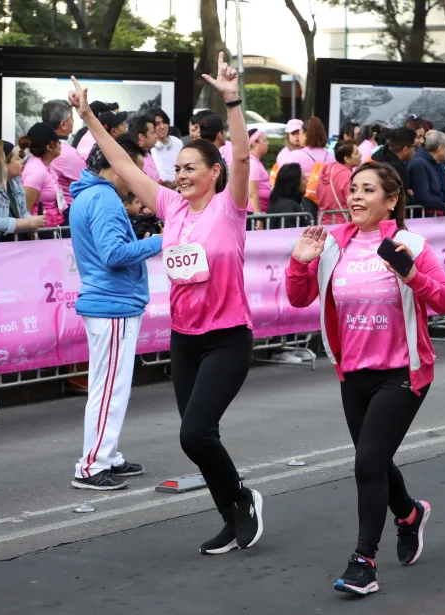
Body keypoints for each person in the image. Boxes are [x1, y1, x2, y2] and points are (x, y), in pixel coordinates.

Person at [68, 52, 263, 551]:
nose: (180, 174)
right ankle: (235, 508)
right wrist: (88, 118)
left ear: (214, 173)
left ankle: (240, 501)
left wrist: (232, 100)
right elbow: (117, 161)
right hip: (186, 340)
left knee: (193, 434)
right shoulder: (169, 205)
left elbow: (242, 156)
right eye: (176, 167)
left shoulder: (229, 206)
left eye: (191, 167)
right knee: (201, 437)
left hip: (226, 339)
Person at [285, 161, 445, 596]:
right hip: (353, 373)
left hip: (402, 373)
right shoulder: (332, 245)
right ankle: (409, 514)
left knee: (366, 463)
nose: (356, 197)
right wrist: (299, 262)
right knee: (375, 459)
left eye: (367, 190)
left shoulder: (409, 244)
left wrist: (411, 274)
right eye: (353, 189)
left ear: (391, 200)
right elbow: (299, 296)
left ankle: (364, 562)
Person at [67, 135, 163, 490]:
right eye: (131, 167)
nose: (134, 176)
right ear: (114, 164)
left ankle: (106, 456)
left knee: (109, 387)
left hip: (109, 303)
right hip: (112, 304)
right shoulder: (104, 198)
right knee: (110, 388)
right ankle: (92, 465)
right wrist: (160, 241)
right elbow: (113, 254)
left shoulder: (88, 195)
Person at [20, 122, 66, 227]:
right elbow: (25, 211)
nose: (60, 144)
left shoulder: (45, 166)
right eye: (57, 141)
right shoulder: (36, 171)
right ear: (49, 146)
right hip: (41, 235)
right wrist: (33, 239)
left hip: (52, 229)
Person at [42, 100, 85, 208]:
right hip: (69, 210)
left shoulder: (42, 146)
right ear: (63, 124)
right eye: (71, 117)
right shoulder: (65, 153)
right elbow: (85, 182)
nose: (74, 120)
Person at [407, 130, 445, 216]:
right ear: (440, 149)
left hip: (438, 216)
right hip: (423, 220)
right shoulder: (419, 164)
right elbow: (423, 196)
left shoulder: (439, 163)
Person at [284, 117, 335, 205]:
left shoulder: (295, 156)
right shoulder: (330, 157)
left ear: (305, 135)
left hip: (301, 203)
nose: (298, 137)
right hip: (326, 203)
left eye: (300, 133)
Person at [317, 140, 360, 225]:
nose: (360, 155)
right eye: (356, 153)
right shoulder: (347, 175)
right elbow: (353, 200)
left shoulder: (327, 170)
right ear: (347, 159)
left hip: (323, 221)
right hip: (343, 223)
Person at [371, 127, 416, 192]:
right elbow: (399, 198)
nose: (415, 150)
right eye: (415, 147)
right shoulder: (394, 170)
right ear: (405, 150)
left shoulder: (381, 154)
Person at [266, 162, 307, 230]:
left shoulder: (277, 201)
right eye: (303, 179)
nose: (307, 181)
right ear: (294, 183)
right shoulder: (288, 207)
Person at [149, 108, 184, 183]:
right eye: (157, 124)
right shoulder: (149, 148)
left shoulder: (177, 142)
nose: (162, 126)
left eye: (164, 122)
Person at [127, 115, 160, 182]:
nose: (156, 136)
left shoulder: (147, 154)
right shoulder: (134, 160)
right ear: (141, 137)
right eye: (153, 132)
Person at [248, 128, 271, 215]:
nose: (268, 143)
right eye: (264, 140)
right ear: (255, 143)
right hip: (252, 212)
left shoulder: (255, 161)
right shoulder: (252, 163)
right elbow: (252, 192)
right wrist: (258, 216)